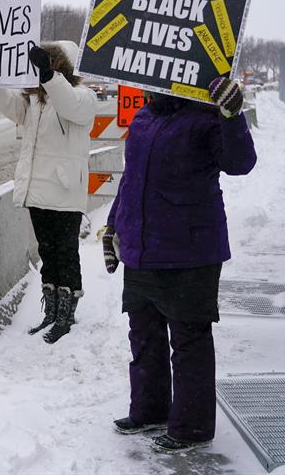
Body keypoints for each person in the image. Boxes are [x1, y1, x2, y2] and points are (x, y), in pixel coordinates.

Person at [103, 77, 256, 454]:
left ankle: (191, 427)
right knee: (144, 333)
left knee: (189, 341)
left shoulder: (206, 117)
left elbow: (241, 163)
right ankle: (150, 410)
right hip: (142, 247)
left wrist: (232, 115)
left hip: (191, 250)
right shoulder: (142, 118)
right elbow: (130, 182)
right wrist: (113, 226)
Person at [0, 41, 97, 344]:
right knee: (47, 253)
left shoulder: (83, 98)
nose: (39, 70)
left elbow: (70, 106)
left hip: (64, 192)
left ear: (62, 67)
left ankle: (66, 316)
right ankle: (50, 313)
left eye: (49, 64)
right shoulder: (33, 103)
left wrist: (50, 76)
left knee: (66, 254)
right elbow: (5, 101)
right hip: (37, 191)